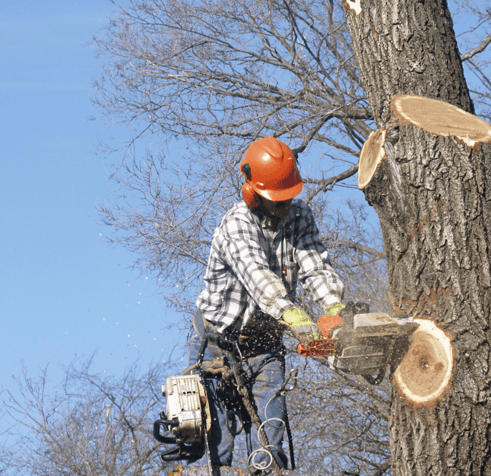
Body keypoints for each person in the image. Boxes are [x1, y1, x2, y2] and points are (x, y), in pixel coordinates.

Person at [187, 137, 345, 475]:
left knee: (272, 421)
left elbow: (315, 264)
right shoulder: (236, 225)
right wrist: (294, 315)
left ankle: (266, 470)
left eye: (289, 198)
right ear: (253, 194)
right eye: (279, 201)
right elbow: (258, 277)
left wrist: (334, 308)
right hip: (219, 339)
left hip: (265, 340)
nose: (286, 206)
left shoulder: (299, 216)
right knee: (219, 439)